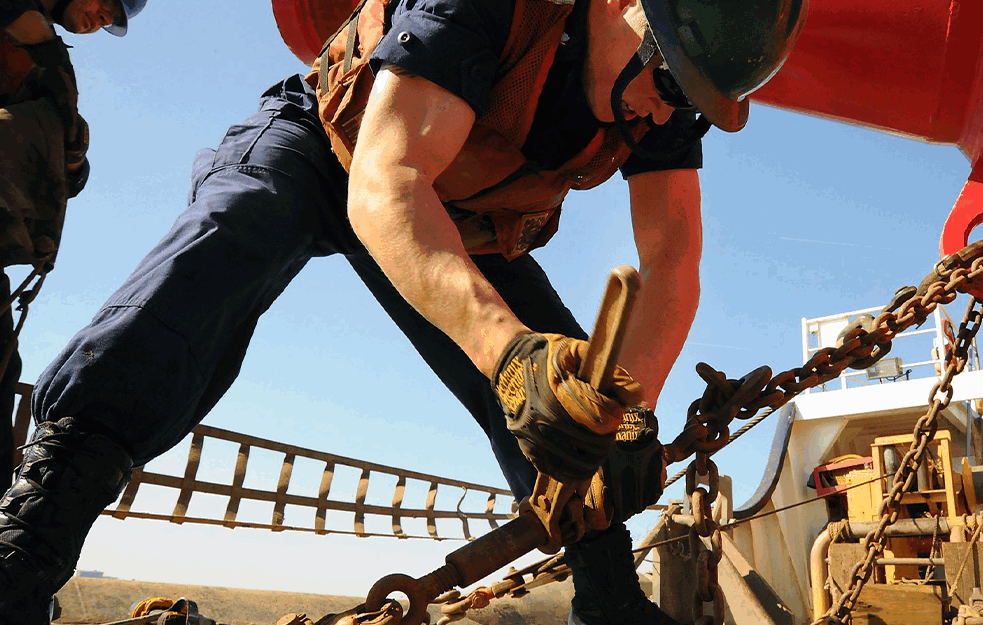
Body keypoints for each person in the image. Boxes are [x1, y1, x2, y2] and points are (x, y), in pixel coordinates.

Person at [0, 0, 806, 621]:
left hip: (464, 214)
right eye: (669, 85)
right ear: (620, 11)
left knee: (575, 396)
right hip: (331, 143)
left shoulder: (661, 99)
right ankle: (30, 540)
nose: (669, 112)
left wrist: (625, 408)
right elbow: (389, 184)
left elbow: (672, 263)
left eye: (693, 102)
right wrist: (509, 355)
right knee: (225, 245)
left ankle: (607, 600)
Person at [0, 0, 148, 497]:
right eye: (104, 5)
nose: (100, 19)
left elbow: (67, 168)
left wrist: (72, 161)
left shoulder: (45, 53)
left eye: (109, 19)